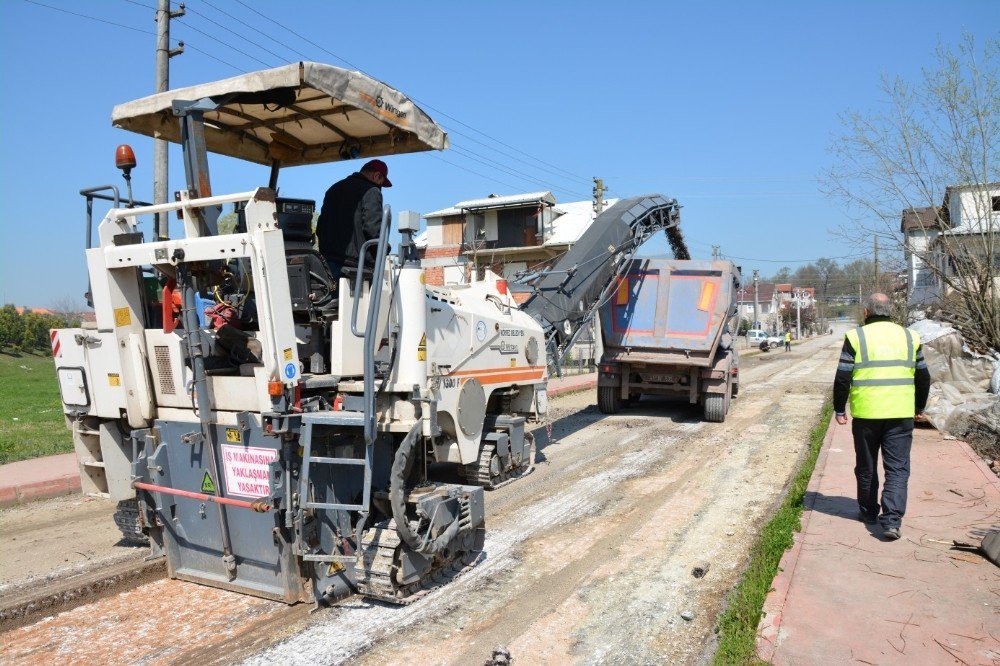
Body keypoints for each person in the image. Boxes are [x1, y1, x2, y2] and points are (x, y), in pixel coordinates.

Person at [833, 293, 930, 540]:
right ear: (891, 312)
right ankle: (891, 521)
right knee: (897, 469)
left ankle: (868, 512)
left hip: (866, 414)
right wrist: (919, 407)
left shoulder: (856, 337)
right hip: (900, 414)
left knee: (866, 467)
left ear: (866, 312)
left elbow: (843, 376)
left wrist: (840, 409)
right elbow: (923, 376)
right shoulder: (910, 336)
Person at [315, 159, 392, 281]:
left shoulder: (333, 189)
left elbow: (320, 227)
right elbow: (373, 230)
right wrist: (384, 250)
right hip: (356, 267)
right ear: (376, 175)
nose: (380, 187)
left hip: (327, 263)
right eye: (381, 182)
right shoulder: (372, 191)